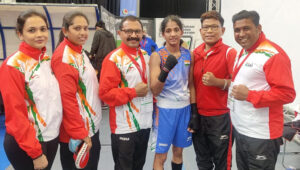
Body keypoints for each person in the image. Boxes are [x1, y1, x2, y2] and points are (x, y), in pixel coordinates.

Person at [229, 10, 296, 169]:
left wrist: (249, 95)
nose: (241, 34)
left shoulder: (273, 54)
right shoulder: (245, 50)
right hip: (243, 131)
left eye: (246, 28)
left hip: (261, 136)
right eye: (237, 30)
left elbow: (287, 94)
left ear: (258, 28)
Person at [0, 10, 62, 170]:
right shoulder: (13, 65)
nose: (39, 34)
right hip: (28, 143)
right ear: (20, 34)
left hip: (50, 136)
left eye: (43, 29)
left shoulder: (46, 60)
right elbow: (16, 116)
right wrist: (35, 153)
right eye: (31, 30)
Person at [99, 15, 153, 170]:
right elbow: (105, 94)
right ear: (119, 33)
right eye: (129, 31)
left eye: (138, 31)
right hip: (124, 126)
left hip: (144, 123)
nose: (134, 35)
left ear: (143, 33)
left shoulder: (145, 55)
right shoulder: (114, 59)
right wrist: (133, 92)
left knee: (139, 165)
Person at [51, 11, 102, 170]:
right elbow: (67, 99)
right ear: (65, 30)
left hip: (90, 127)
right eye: (77, 28)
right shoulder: (65, 57)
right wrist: (79, 133)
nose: (83, 32)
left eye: (86, 28)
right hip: (79, 133)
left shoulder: (78, 51)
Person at [189, 11, 237, 170]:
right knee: (202, 161)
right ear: (200, 31)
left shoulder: (230, 53)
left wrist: (218, 82)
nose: (209, 31)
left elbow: (239, 85)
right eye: (206, 27)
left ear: (222, 30)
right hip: (199, 116)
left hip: (221, 117)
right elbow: (191, 85)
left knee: (222, 163)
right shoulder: (195, 54)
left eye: (214, 27)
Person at [150, 15, 195, 170]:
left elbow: (191, 84)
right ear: (163, 34)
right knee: (161, 155)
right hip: (164, 111)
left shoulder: (189, 54)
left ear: (181, 31)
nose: (173, 34)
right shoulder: (157, 56)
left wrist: (194, 111)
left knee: (178, 151)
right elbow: (155, 89)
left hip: (184, 110)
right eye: (168, 30)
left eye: (176, 30)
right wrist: (166, 69)